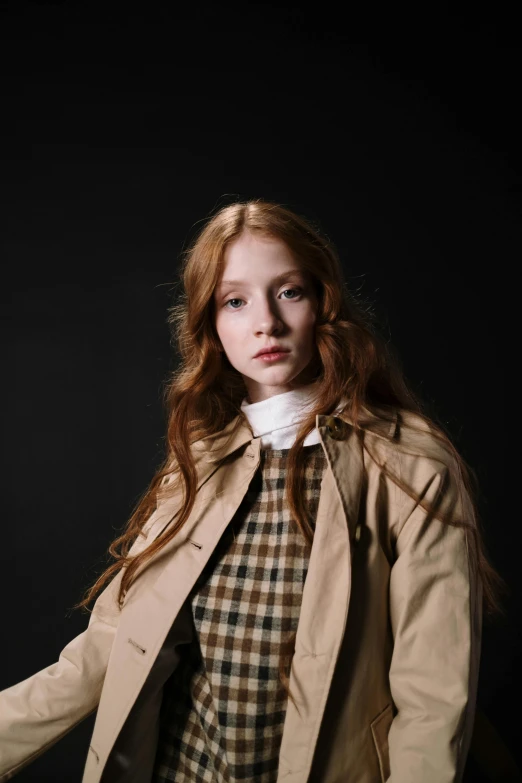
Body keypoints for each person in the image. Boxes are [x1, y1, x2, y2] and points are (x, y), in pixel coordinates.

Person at [0, 199, 499, 783]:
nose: (266, 321)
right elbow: (111, 643)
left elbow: (433, 700)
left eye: (289, 291)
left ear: (323, 303)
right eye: (235, 301)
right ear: (211, 325)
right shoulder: (201, 458)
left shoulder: (410, 466)